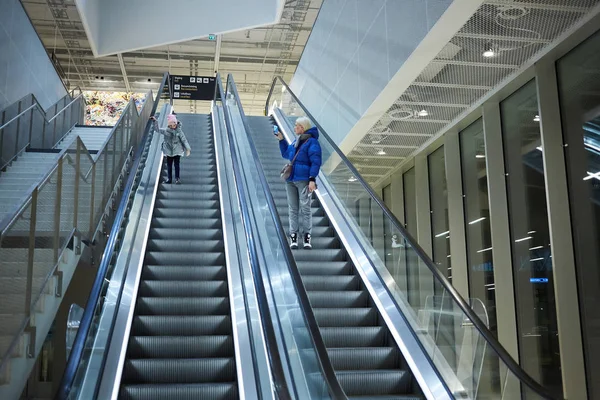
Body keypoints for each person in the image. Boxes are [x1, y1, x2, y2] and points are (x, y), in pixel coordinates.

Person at [276, 116, 322, 249]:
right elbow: (286, 154)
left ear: (302, 127)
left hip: (303, 180)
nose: (294, 127)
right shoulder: (296, 141)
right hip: (290, 180)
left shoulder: (312, 142)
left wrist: (312, 179)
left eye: (296, 125)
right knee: (293, 209)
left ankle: (307, 236)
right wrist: (281, 140)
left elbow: (316, 161)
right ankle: (293, 236)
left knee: (305, 208)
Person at [150, 114, 191, 184]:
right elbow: (157, 130)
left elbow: (184, 140)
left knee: (176, 164)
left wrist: (188, 149)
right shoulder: (166, 131)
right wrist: (155, 121)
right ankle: (169, 179)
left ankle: (177, 178)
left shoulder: (179, 131)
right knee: (169, 165)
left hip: (177, 150)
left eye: (174, 124)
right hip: (168, 151)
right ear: (169, 125)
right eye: (171, 124)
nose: (173, 126)